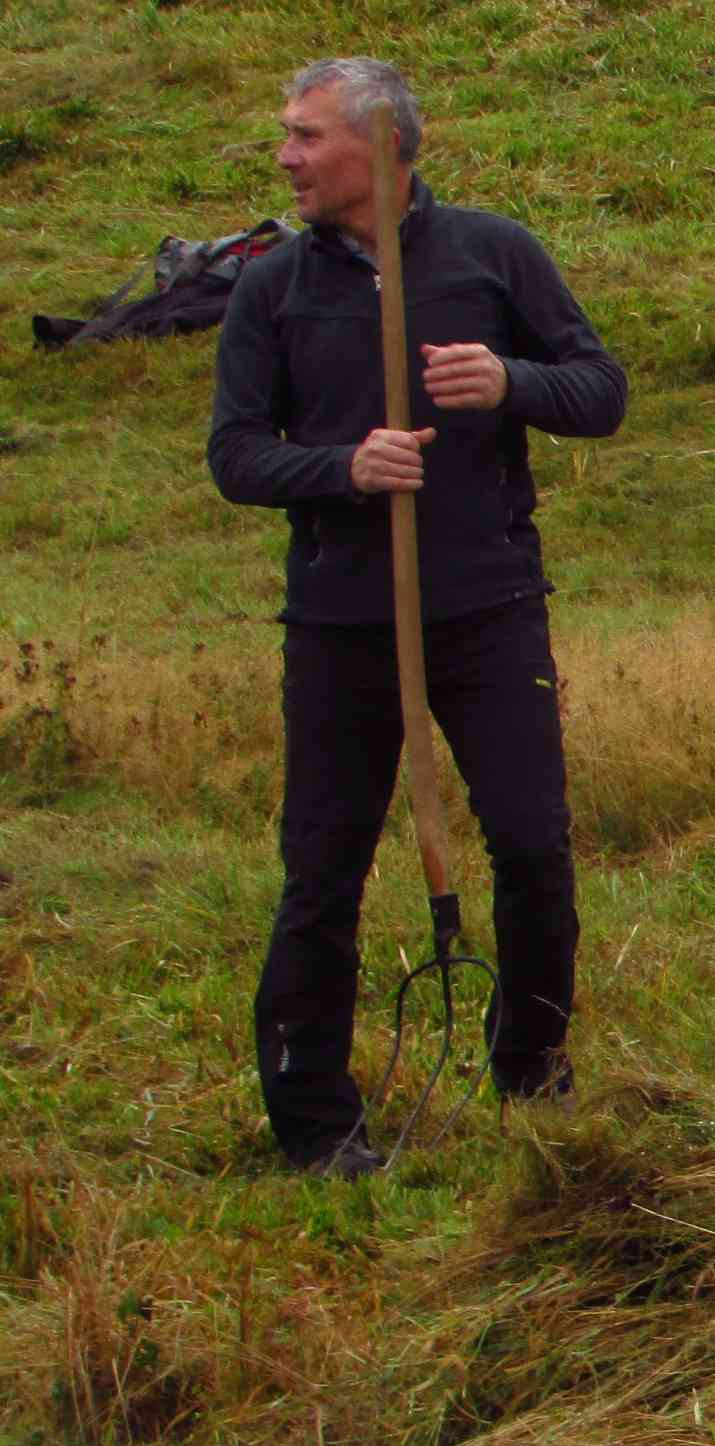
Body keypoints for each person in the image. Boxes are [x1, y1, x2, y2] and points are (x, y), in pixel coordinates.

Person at [207, 58, 628, 1177]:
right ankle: (316, 1126)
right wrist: (343, 467)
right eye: (286, 136)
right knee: (323, 867)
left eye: (307, 136)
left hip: (488, 609)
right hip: (342, 621)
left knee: (535, 846)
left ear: (386, 150)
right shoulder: (271, 288)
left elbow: (602, 389)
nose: (287, 156)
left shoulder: (493, 255)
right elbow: (236, 454)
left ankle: (533, 1074)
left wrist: (511, 383)